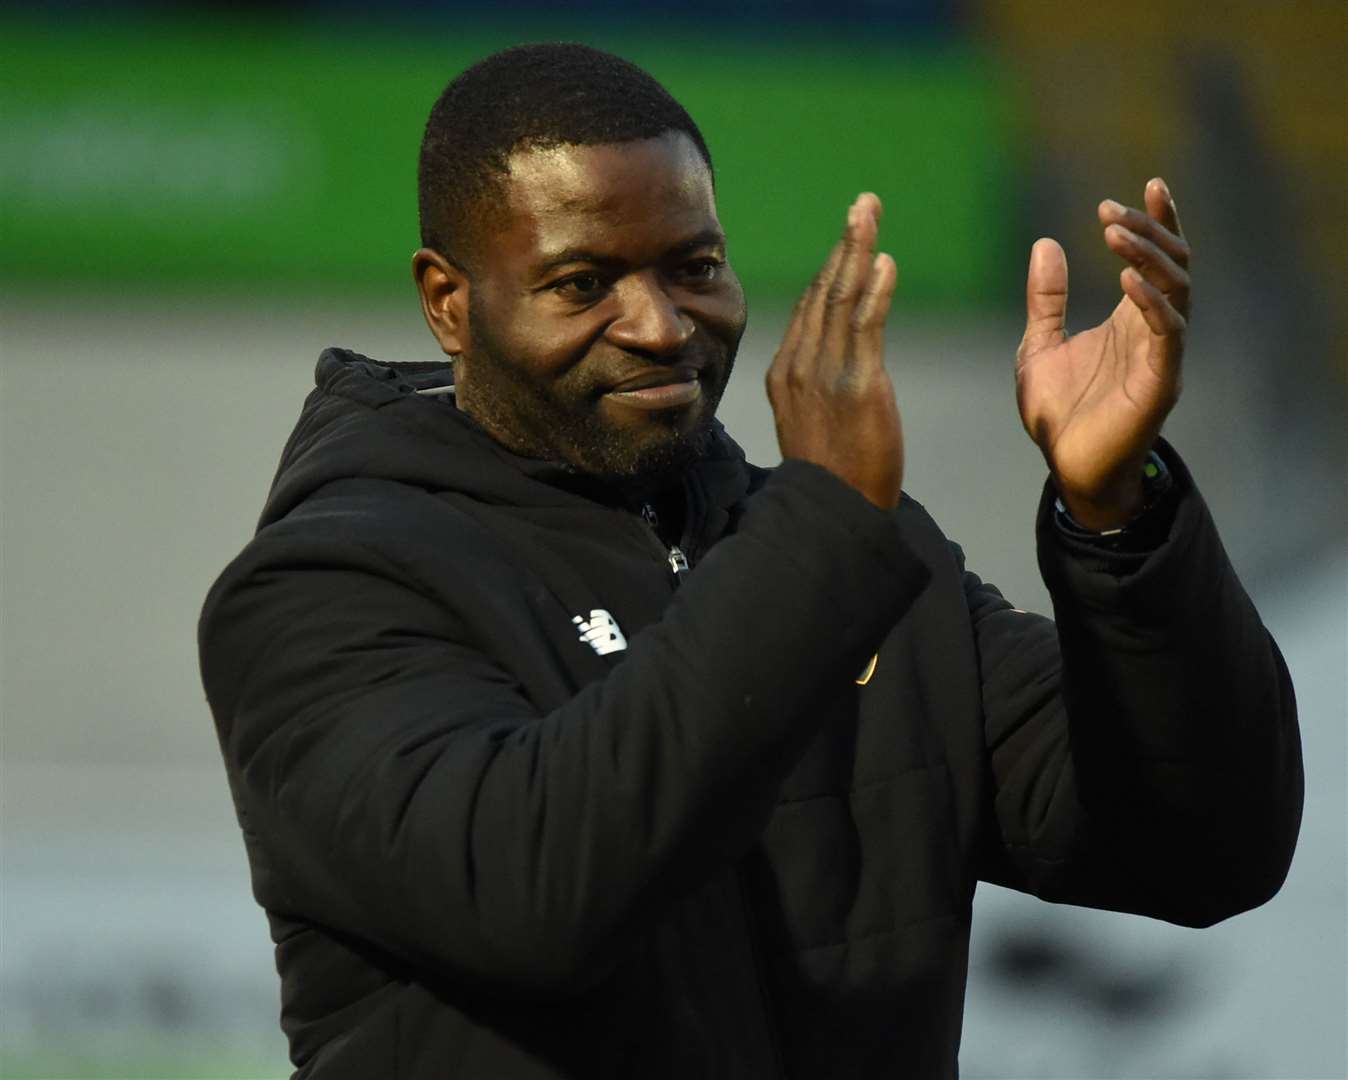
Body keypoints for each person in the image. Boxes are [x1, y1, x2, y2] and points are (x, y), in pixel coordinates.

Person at [198, 43, 1303, 1079]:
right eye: (582, 283)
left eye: (695, 266)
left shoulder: (865, 567)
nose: (662, 325)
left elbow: (1207, 849)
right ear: (450, 301)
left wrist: (1117, 518)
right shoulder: (322, 592)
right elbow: (540, 899)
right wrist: (820, 531)